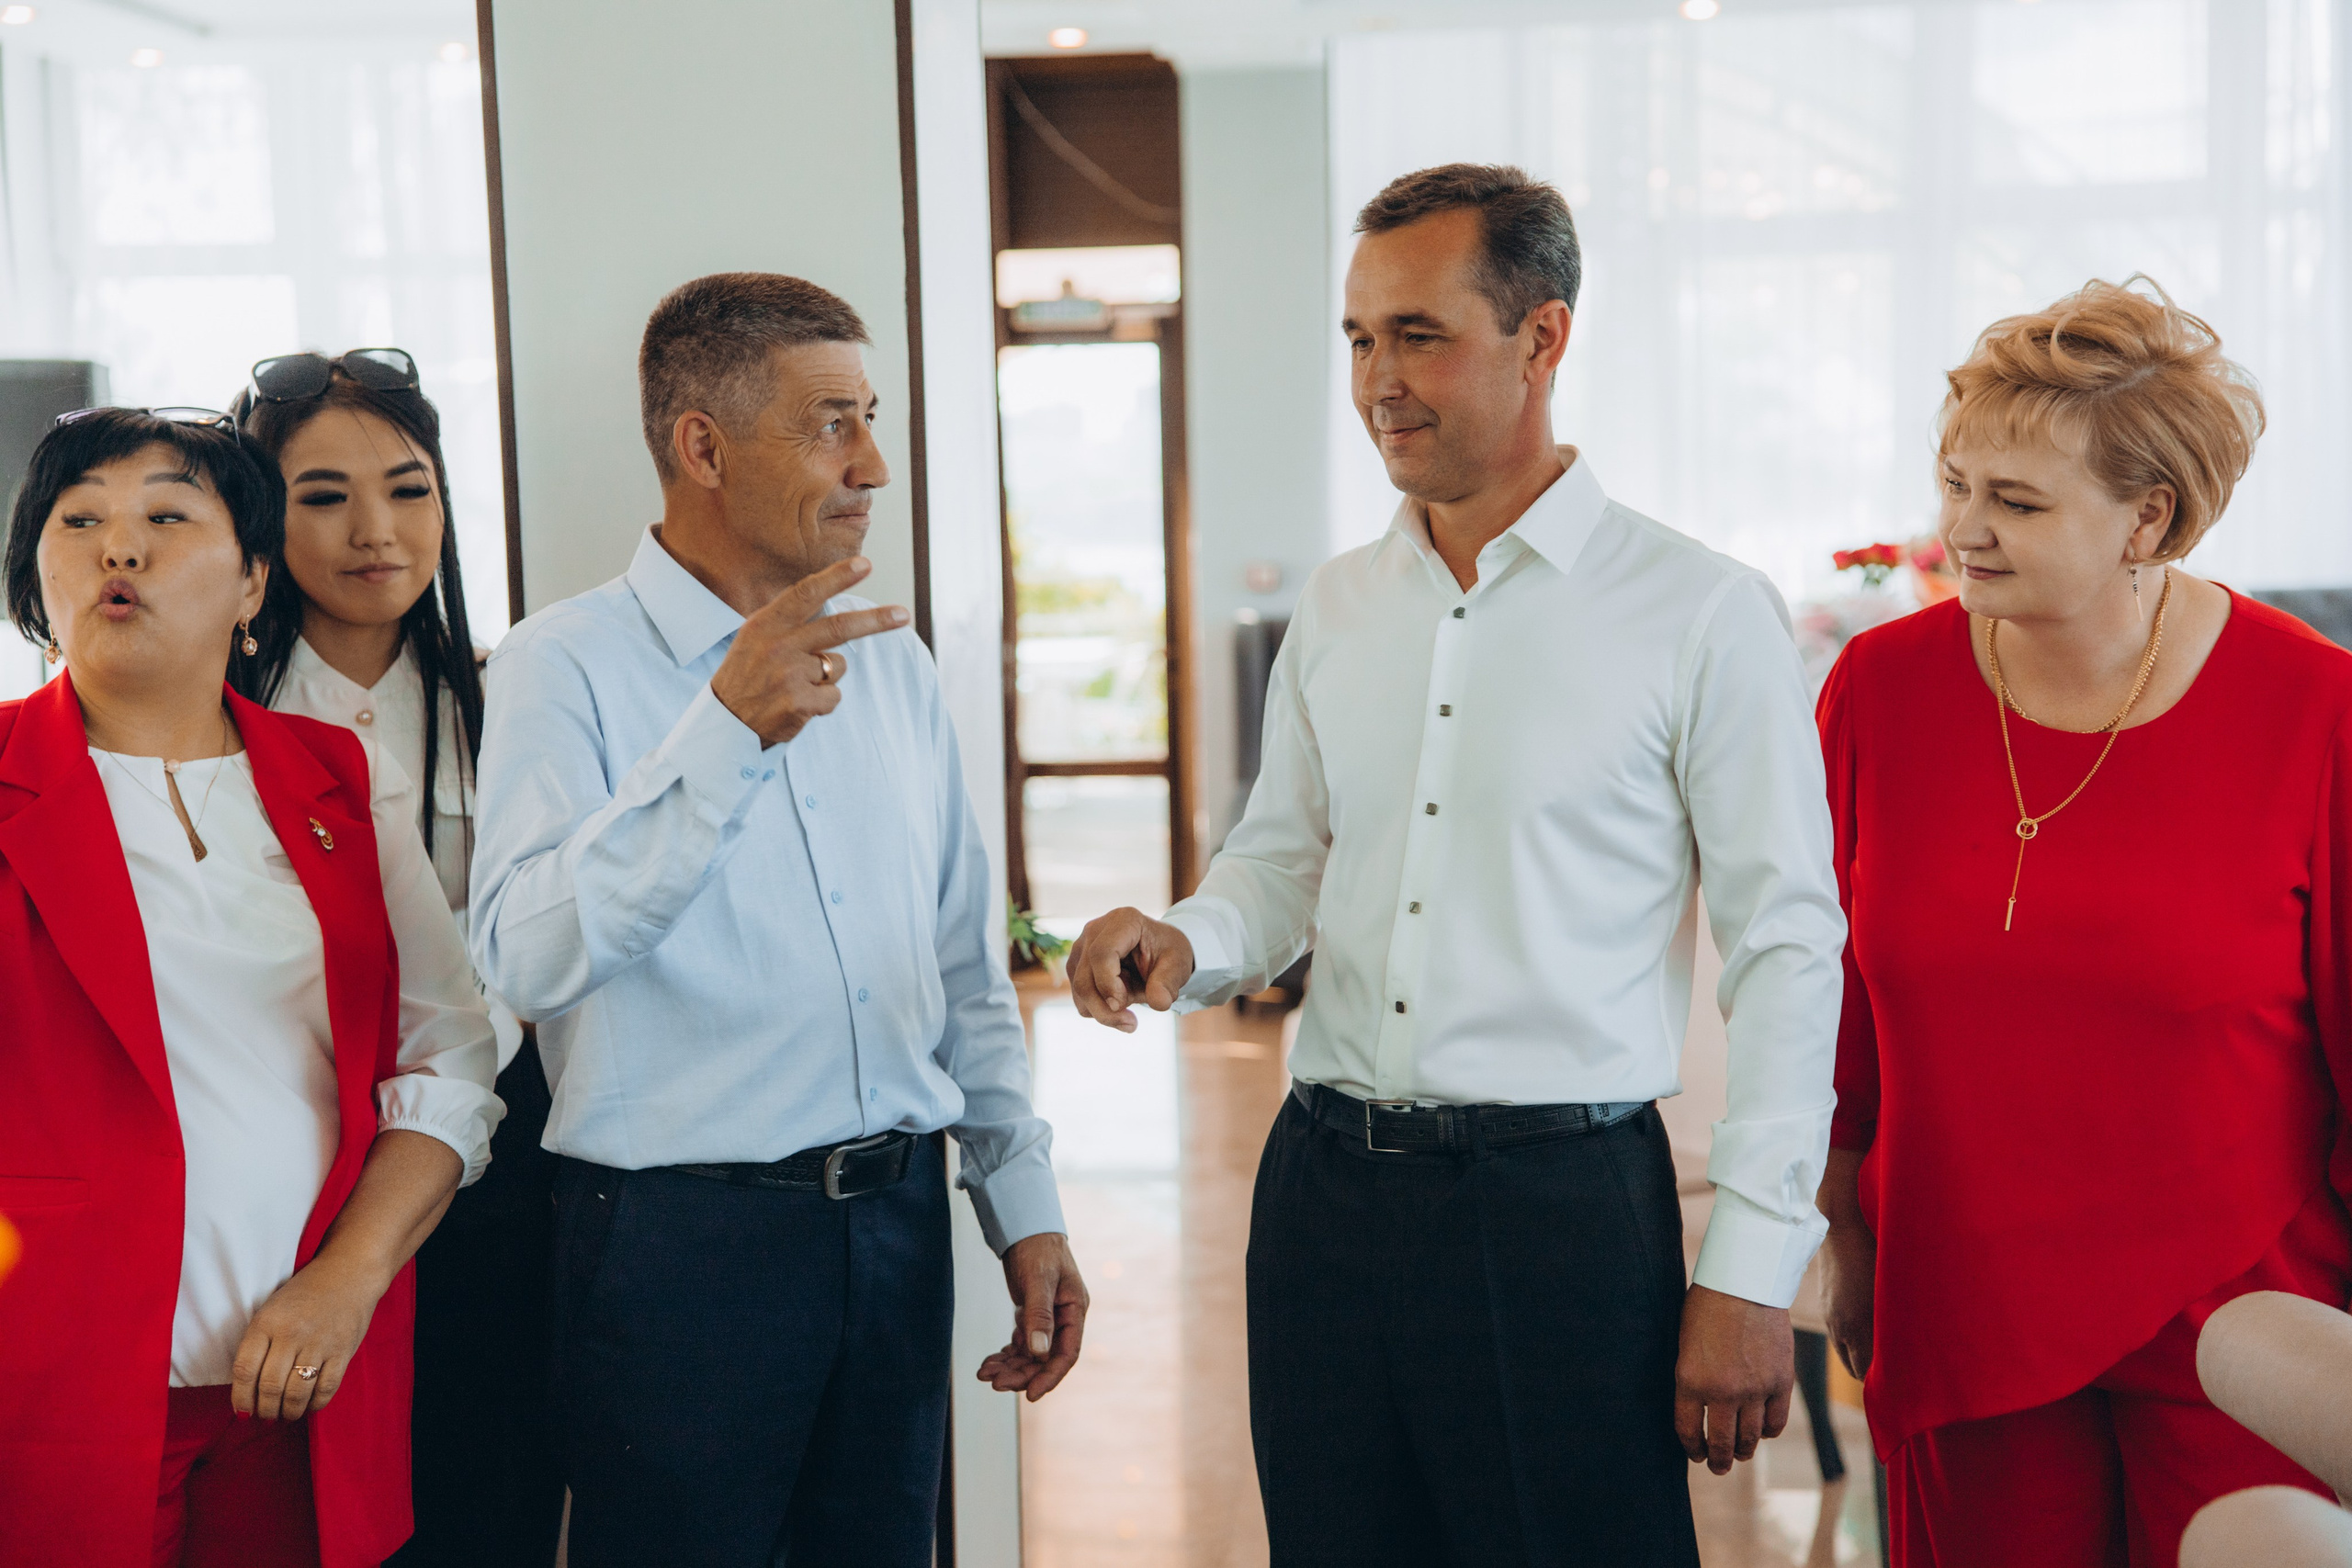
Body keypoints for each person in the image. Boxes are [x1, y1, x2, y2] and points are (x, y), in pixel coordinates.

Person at [1069, 164, 1845, 1565]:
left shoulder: (1702, 612)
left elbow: (1789, 947)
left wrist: (1751, 1263)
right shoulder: (1343, 600)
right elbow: (1279, 856)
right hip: (1320, 1200)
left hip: (1558, 1213)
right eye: (1359, 339)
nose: (1377, 380)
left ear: (1542, 336)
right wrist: (1190, 936)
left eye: (1418, 334)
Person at [468, 272, 1084, 1568]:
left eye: (870, 418)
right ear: (703, 445)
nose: (873, 463)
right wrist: (724, 730)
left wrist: (1021, 1203)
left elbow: (961, 971)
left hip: (898, 1236)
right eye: (832, 423)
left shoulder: (896, 667)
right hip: (678, 1258)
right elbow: (523, 953)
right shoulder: (556, 666)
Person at [1815, 277, 2352, 1566]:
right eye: (1955, 485)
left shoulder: (2315, 707)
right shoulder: (1879, 690)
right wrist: (1837, 1215)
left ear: (2146, 517)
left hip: (2247, 1311)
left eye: (2015, 501)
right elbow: (1837, 996)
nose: (1962, 530)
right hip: (1961, 1286)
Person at [0, 407, 502, 1568]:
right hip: (48, 1394)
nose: (118, 549)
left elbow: (447, 1060)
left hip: (302, 1389)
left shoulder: (337, 779)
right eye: (81, 522)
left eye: (167, 518)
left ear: (252, 584)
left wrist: (349, 1280)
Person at [231, 350, 561, 1568]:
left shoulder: (521, 706)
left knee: (487, 1496)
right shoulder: (215, 727)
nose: (375, 529)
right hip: (295, 1177)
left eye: (408, 487)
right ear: (260, 519)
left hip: (505, 1177)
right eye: (321, 494)